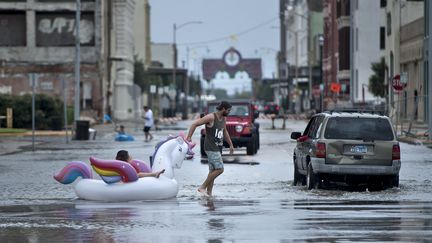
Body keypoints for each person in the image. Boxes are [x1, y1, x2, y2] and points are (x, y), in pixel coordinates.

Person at [186, 100, 234, 197]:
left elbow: (224, 131)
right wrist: (189, 137)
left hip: (218, 147)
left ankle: (209, 194)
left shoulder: (223, 119)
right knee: (220, 169)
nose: (229, 112)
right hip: (211, 147)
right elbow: (194, 124)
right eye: (228, 110)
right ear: (223, 109)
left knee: (213, 171)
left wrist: (231, 144)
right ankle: (202, 187)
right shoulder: (211, 117)